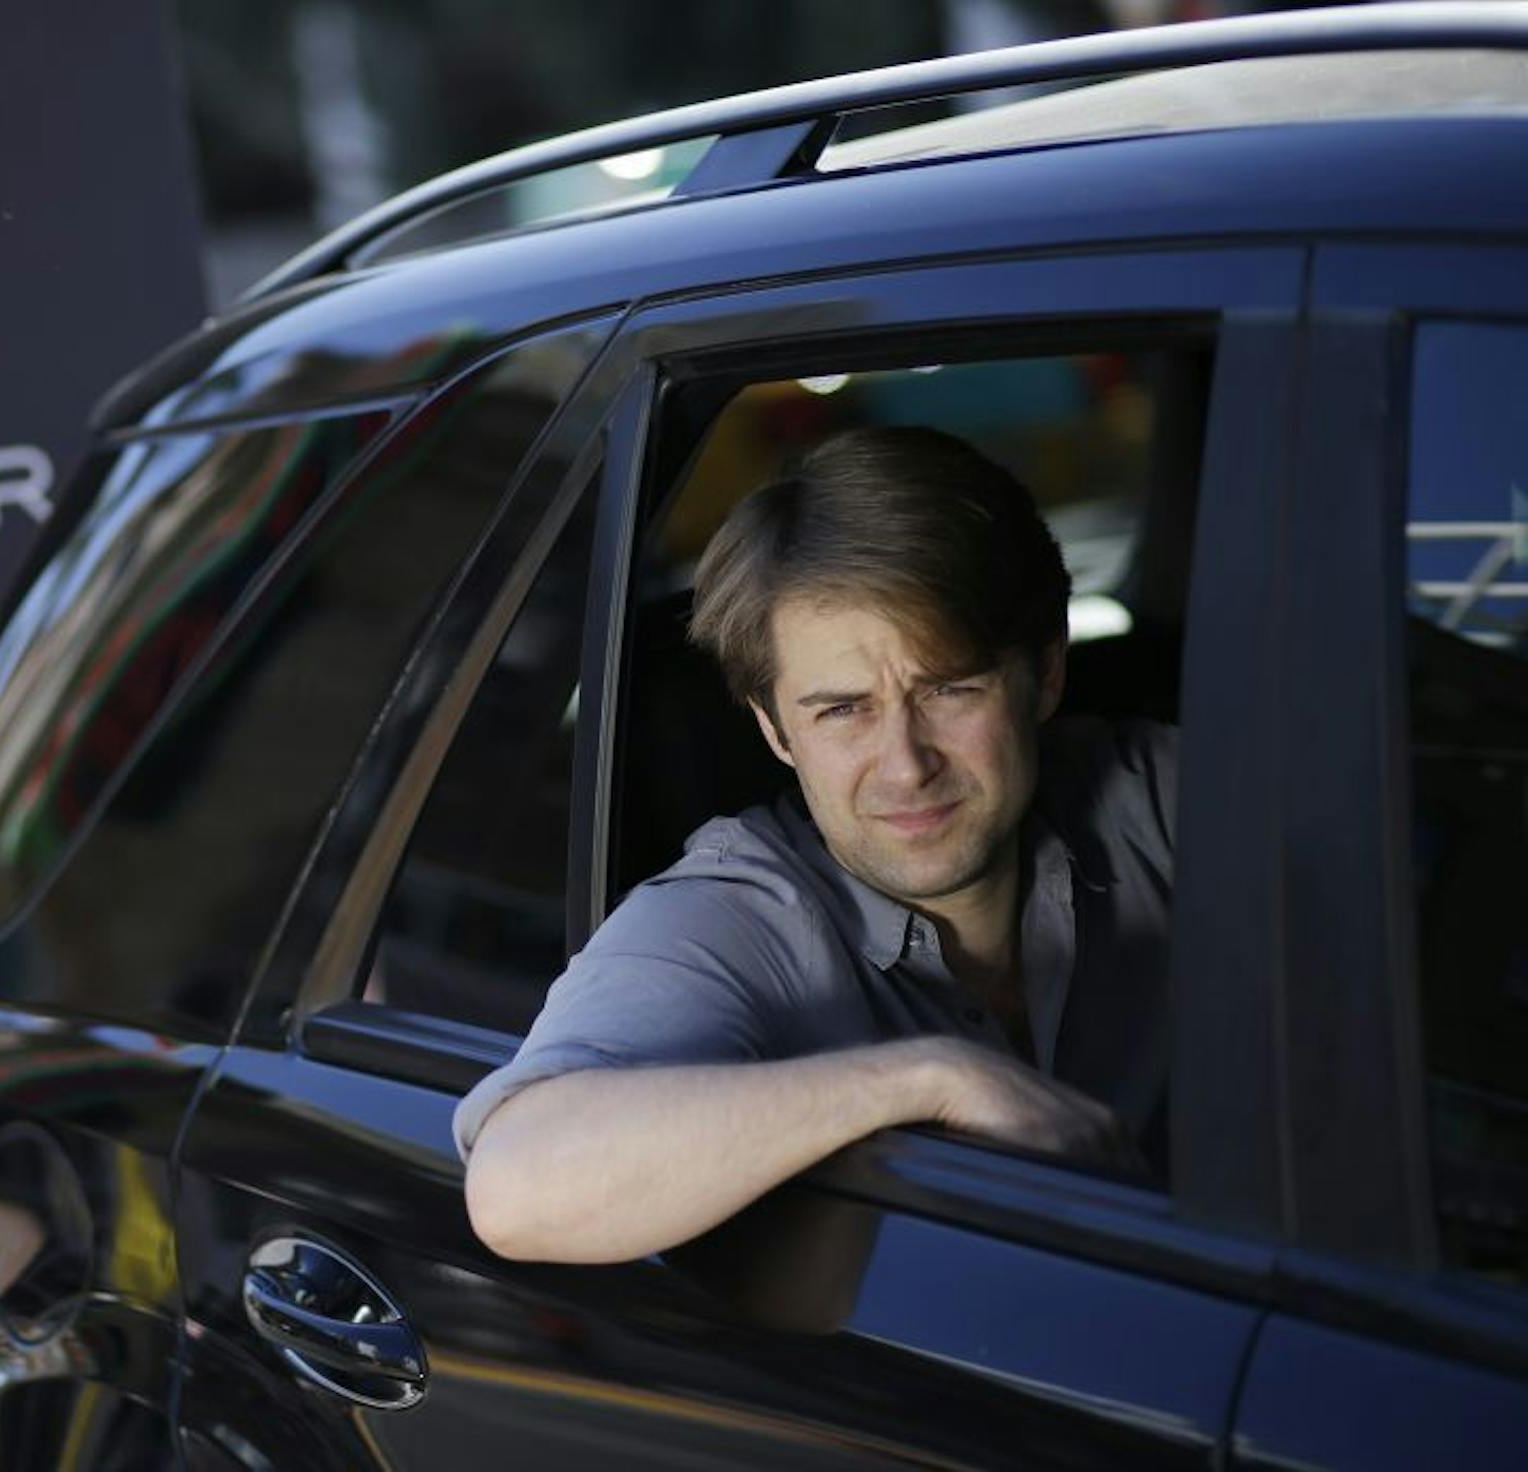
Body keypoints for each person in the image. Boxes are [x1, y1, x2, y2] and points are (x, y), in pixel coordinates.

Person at [457, 425, 1176, 1265]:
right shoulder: (738, 913)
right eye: (843, 710)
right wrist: (930, 1079)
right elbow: (517, 1187)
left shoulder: (1152, 798)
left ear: (1046, 671)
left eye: (947, 690)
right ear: (774, 730)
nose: (906, 766)